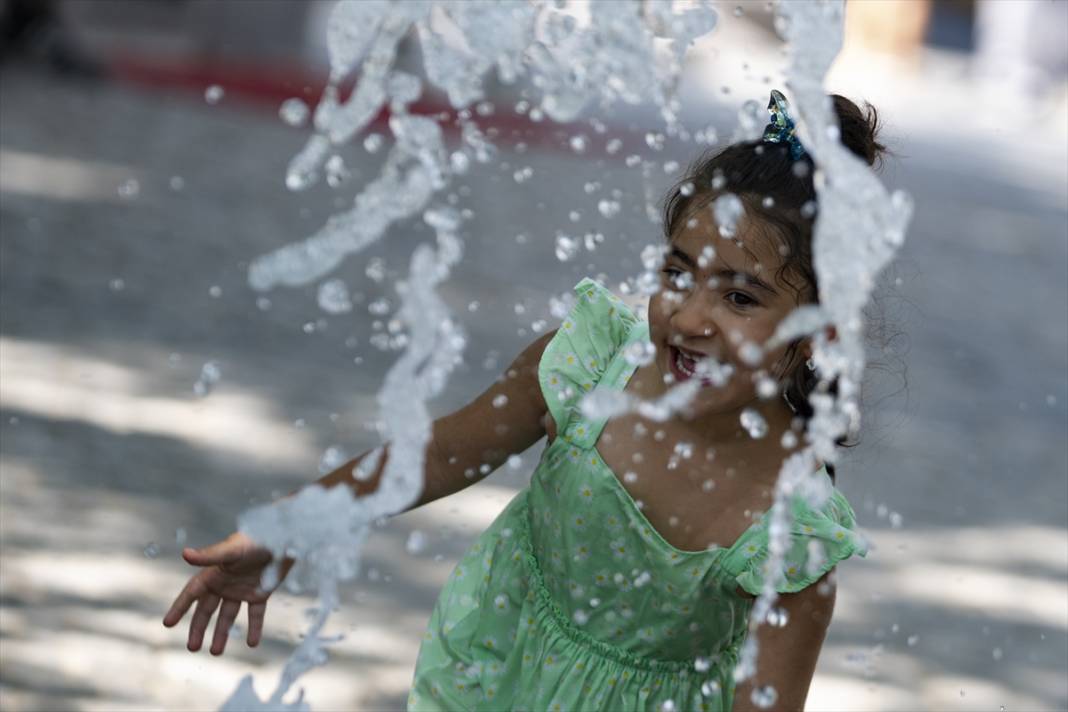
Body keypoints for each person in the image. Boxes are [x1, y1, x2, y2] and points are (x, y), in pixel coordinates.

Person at [163, 90, 887, 712]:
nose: (690, 318)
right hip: (492, 669)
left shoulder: (790, 536)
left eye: (738, 296)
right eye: (677, 273)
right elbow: (440, 453)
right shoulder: (596, 362)